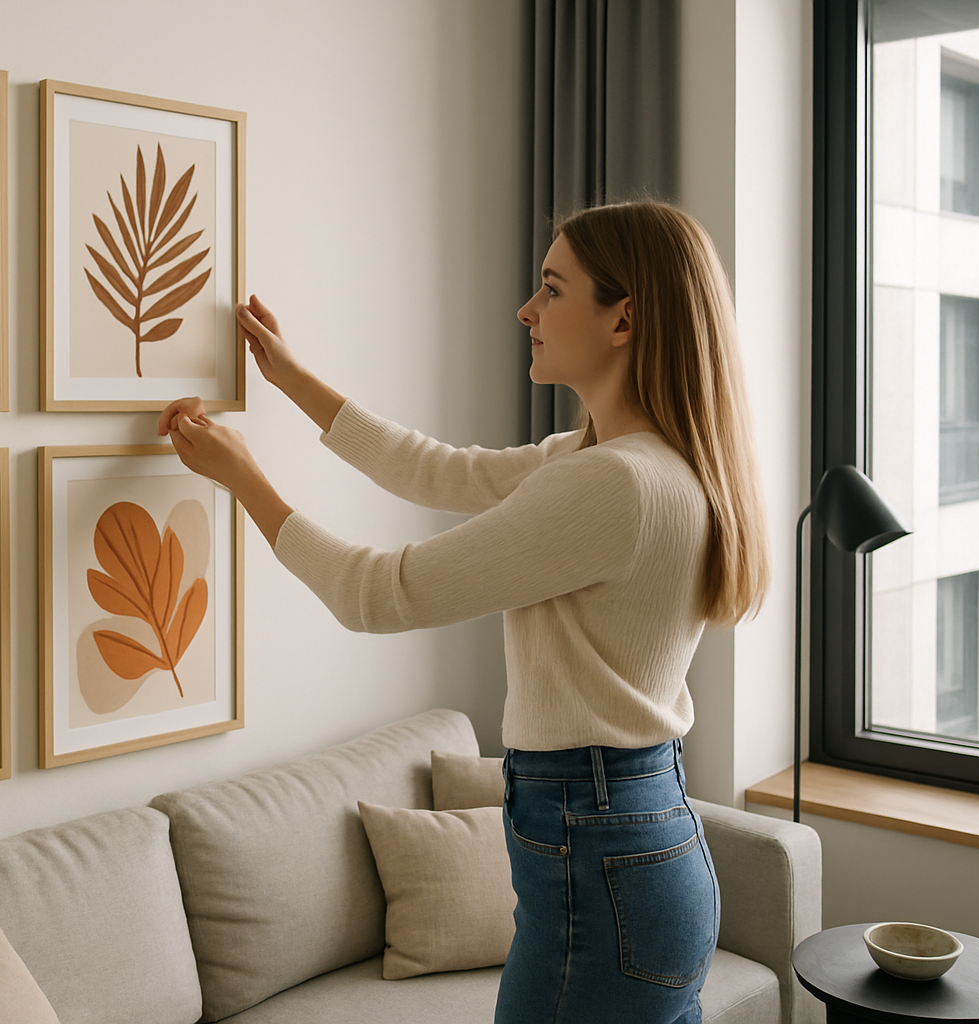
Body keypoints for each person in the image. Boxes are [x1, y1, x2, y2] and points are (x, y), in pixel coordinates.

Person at [156, 201, 769, 1024]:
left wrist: (245, 482)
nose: (526, 310)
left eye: (552, 288)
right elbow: (437, 470)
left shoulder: (612, 484)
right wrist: (291, 379)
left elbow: (378, 593)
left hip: (601, 862)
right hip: (640, 845)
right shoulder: (624, 461)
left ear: (624, 319)